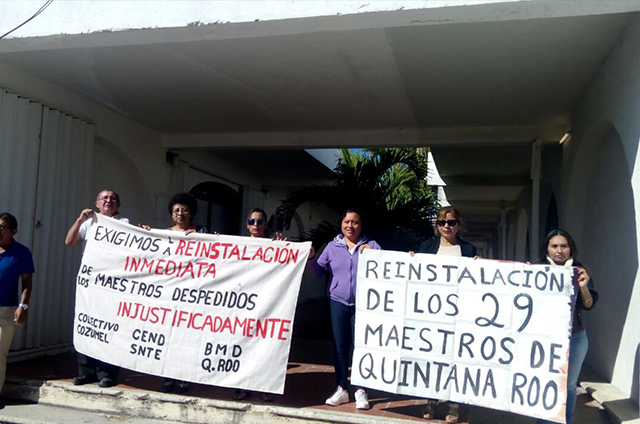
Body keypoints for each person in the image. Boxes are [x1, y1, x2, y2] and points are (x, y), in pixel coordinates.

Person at [308, 208, 381, 410]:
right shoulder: (332, 247)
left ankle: (361, 389)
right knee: (340, 347)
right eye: (347, 222)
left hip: (364, 305)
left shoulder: (373, 246)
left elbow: (387, 268)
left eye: (355, 222)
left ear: (361, 225)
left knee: (361, 347)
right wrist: (311, 259)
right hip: (338, 302)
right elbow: (317, 272)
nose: (350, 226)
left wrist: (375, 254)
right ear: (341, 224)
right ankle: (341, 387)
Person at [414, 206, 477, 423]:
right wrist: (411, 261)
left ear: (458, 225)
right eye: (442, 222)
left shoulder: (468, 249)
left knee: (455, 358)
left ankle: (454, 404)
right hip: (432, 313)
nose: (446, 226)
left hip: (459, 314)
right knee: (432, 358)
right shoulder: (426, 247)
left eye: (451, 222)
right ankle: (431, 400)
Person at [65, 190, 127, 388]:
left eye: (113, 198)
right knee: (87, 324)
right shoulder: (89, 222)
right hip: (90, 284)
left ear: (118, 204)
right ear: (97, 203)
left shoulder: (124, 223)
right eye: (104, 198)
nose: (108, 201)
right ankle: (86, 371)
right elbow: (70, 241)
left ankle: (107, 373)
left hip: (112, 285)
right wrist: (79, 220)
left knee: (109, 328)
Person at [536, 229, 598, 424]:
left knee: (570, 384)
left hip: (575, 337)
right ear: (547, 248)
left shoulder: (579, 271)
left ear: (571, 248)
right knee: (545, 381)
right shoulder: (537, 269)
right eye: (554, 246)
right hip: (545, 337)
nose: (559, 250)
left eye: (564, 246)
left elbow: (588, 304)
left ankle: (566, 421)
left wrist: (583, 286)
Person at [161, 192, 208, 394]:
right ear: (172, 214)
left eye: (185, 210)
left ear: (192, 213)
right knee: (169, 337)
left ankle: (184, 377)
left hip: (192, 294)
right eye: (176, 210)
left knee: (187, 338)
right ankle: (168, 377)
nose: (180, 214)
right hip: (170, 294)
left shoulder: (202, 231)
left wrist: (203, 238)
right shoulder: (164, 234)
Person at [234, 208, 282, 402]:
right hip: (243, 303)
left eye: (260, 222)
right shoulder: (238, 245)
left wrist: (283, 247)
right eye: (252, 221)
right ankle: (242, 384)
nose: (256, 225)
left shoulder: (274, 246)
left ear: (265, 225)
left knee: (264, 345)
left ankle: (265, 385)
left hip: (267, 303)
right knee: (243, 344)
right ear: (247, 224)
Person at [0, 213, 34, 403]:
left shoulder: (21, 252)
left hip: (6, 309)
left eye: (3, 228)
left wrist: (23, 306)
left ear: (14, 231)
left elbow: (27, 282)